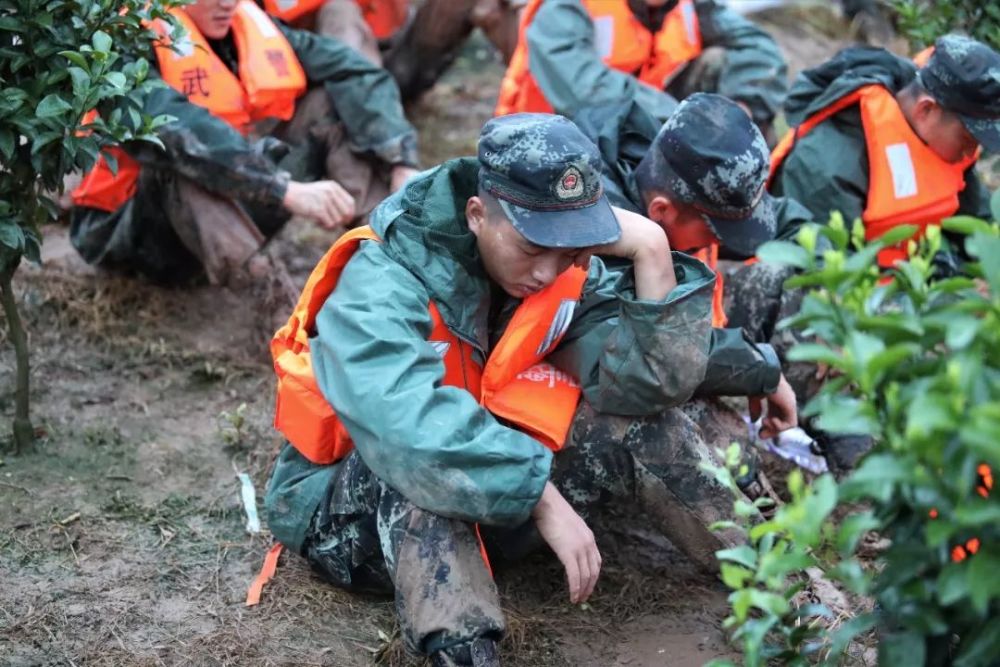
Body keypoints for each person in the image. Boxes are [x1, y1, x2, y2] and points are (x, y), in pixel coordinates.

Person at [264, 113, 795, 666]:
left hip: (495, 493)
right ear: (477, 215)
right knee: (416, 468)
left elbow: (645, 387)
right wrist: (538, 492)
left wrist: (653, 250)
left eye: (566, 252)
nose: (546, 272)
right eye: (532, 246)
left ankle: (788, 594)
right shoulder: (383, 276)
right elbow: (405, 423)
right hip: (353, 520)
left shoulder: (564, 261)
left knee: (641, 425)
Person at [730, 35, 1000, 471]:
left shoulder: (951, 147)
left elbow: (975, 237)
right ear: (926, 110)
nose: (975, 152)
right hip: (831, 296)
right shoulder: (831, 157)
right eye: (971, 136)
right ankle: (859, 460)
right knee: (841, 365)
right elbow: (813, 271)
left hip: (907, 286)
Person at [71, 0, 419, 296]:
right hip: (133, 237)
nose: (228, 3)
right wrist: (281, 188)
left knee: (331, 101)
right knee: (177, 156)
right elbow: (179, 131)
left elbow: (355, 71)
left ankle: (386, 246)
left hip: (231, 205)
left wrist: (401, 162)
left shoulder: (248, 23)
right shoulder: (127, 39)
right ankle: (270, 298)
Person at [572, 92, 812, 327]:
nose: (719, 241)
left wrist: (828, 269)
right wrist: (756, 361)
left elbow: (789, 221)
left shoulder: (682, 163)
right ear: (661, 210)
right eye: (717, 232)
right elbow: (657, 347)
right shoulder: (599, 250)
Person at [494, 0, 789, 142]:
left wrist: (742, 108)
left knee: (727, 73)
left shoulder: (692, 5)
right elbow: (585, 92)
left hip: (646, 120)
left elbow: (759, 49)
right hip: (546, 138)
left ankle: (743, 214)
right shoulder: (566, 6)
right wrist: (689, 119)